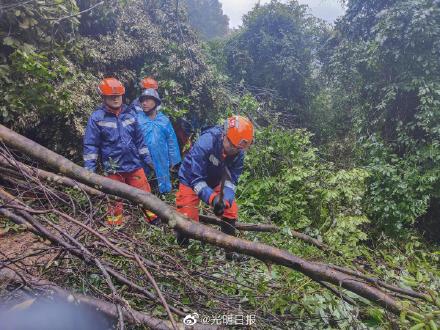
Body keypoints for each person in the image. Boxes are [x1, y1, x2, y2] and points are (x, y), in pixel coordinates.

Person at [175, 115, 254, 261]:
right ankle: (183, 252)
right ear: (224, 134)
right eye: (230, 144)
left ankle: (230, 251)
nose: (232, 150)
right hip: (191, 179)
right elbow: (196, 179)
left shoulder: (238, 153)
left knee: (231, 210)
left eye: (236, 148)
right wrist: (212, 198)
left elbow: (231, 181)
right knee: (186, 219)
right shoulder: (206, 142)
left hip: (215, 180)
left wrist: (225, 200)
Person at [83, 77, 158, 226]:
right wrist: (89, 171)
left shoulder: (130, 114)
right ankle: (114, 228)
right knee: (114, 201)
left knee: (145, 196)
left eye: (118, 96)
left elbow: (139, 141)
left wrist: (148, 160)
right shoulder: (97, 118)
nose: (116, 99)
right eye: (112, 96)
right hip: (113, 169)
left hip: (134, 165)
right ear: (104, 97)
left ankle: (154, 223)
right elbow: (91, 145)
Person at [136, 88, 181, 194]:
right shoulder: (137, 119)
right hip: (142, 160)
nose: (144, 103)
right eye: (143, 101)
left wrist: (174, 161)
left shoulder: (164, 120)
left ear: (156, 102)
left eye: (148, 100)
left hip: (162, 159)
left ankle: (163, 200)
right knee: (144, 187)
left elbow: (172, 141)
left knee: (162, 184)